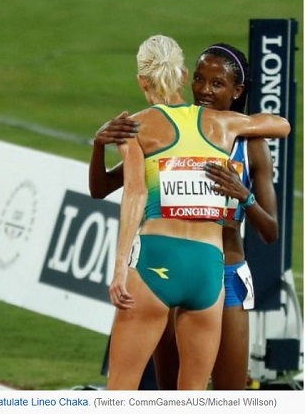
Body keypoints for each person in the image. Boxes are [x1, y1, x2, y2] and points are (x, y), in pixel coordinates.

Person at [101, 35, 289, 390]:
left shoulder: (244, 140)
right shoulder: (203, 127)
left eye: (217, 83)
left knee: (224, 395)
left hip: (212, 270)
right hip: (201, 267)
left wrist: (244, 196)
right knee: (180, 394)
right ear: (185, 75)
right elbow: (109, 185)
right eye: (199, 79)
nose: (204, 90)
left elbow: (271, 231)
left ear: (237, 90)